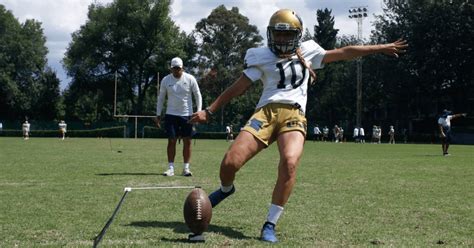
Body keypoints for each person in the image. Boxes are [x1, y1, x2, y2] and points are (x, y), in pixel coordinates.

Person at [190, 9, 407, 243]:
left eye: (287, 35)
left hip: (294, 113)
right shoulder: (260, 55)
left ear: (298, 35)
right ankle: (226, 190)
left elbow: (345, 52)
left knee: (290, 162)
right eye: (278, 34)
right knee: (229, 163)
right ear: (270, 34)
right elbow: (239, 86)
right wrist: (210, 110)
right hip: (265, 113)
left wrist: (380, 47)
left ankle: (270, 223)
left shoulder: (309, 51)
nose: (282, 39)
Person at [155, 57, 202, 176]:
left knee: (188, 141)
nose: (176, 71)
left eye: (178, 69)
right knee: (171, 141)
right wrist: (158, 114)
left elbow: (198, 95)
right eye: (174, 68)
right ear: (171, 68)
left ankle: (186, 168)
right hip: (171, 114)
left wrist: (199, 111)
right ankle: (171, 168)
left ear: (183, 68)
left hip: (187, 115)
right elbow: (161, 98)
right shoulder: (166, 80)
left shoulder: (190, 79)